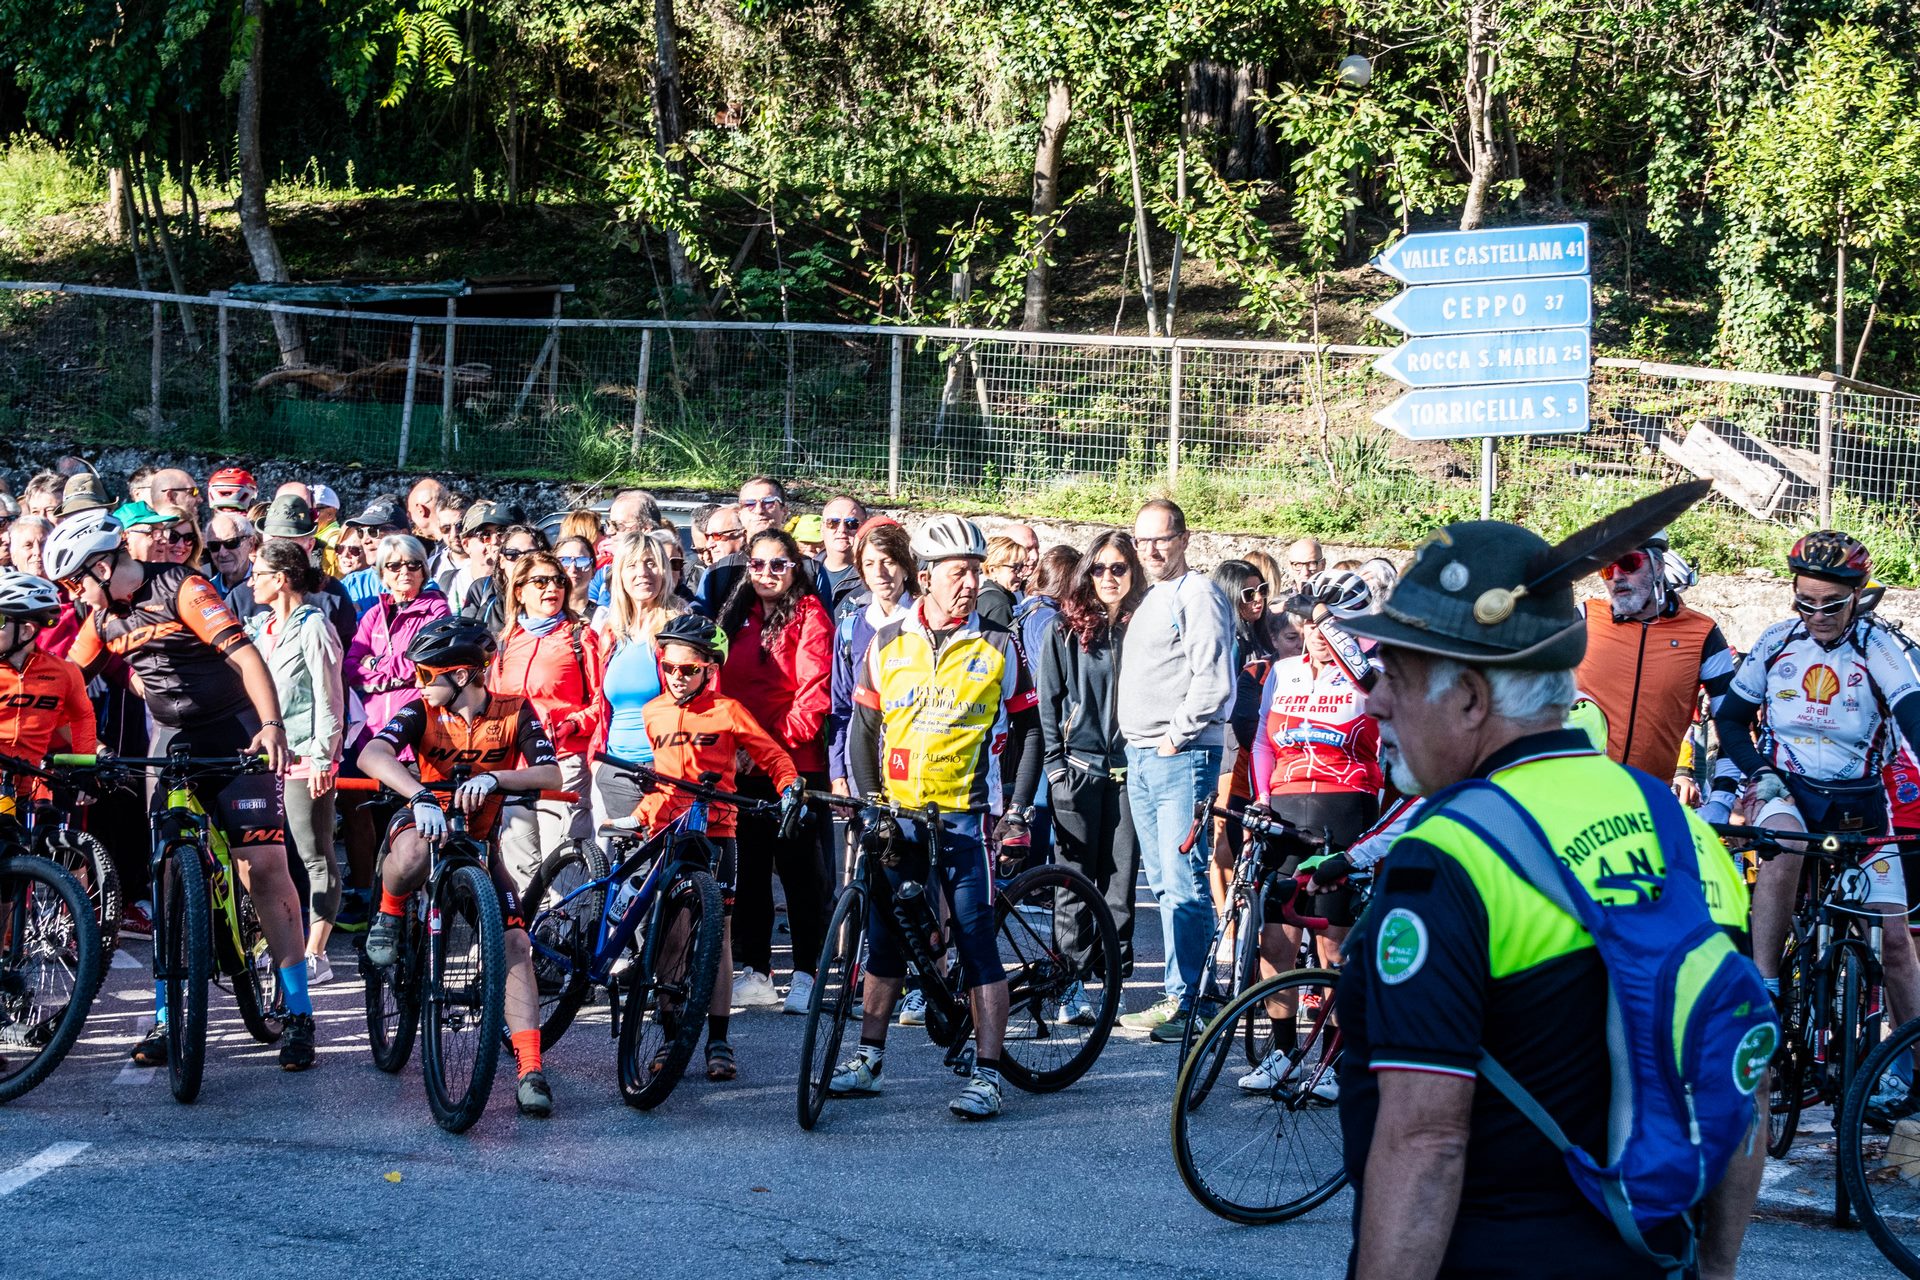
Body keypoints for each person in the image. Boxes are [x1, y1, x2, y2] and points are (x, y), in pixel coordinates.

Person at [1334, 508, 1763, 1280]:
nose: (1374, 702)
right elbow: (1737, 1085)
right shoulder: (1685, 833)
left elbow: (1425, 1140)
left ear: (1470, 698)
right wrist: (1717, 1272)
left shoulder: (1448, 857)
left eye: (1393, 676)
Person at [47, 513, 317, 1071]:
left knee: (262, 866)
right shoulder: (102, 617)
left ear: (101, 565)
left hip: (235, 729)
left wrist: (270, 727)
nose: (74, 595)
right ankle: (169, 1016)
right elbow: (65, 681)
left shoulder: (182, 586)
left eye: (76, 581)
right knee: (167, 874)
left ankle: (298, 1011)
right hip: (171, 741)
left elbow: (245, 656)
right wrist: (83, 744)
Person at [838, 514, 1042, 1119]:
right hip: (898, 814)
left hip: (964, 817)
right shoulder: (887, 641)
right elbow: (863, 730)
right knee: (885, 938)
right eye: (958, 573)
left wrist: (1019, 812)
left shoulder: (1000, 643)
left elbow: (1032, 731)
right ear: (925, 577)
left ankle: (987, 1074)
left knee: (977, 941)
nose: (970, 584)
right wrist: (872, 803)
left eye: (977, 572)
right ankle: (870, 1058)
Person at [1709, 530, 1920, 1063]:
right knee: (1790, 841)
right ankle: (1766, 983)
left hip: (1861, 799)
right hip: (1787, 785)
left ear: (1858, 595)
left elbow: (1914, 715)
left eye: (1832, 603)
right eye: (1806, 601)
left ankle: (1915, 1074)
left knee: (1895, 941)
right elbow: (1730, 718)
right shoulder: (1777, 640)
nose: (1818, 613)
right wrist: (1759, 771)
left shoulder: (1879, 645)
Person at [358, 615, 563, 1117]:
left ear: (464, 676)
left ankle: (530, 1069)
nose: (420, 683)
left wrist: (497, 779)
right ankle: (389, 916)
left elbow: (551, 770)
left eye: (429, 674)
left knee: (515, 942)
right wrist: (420, 793)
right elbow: (372, 753)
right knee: (408, 850)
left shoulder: (515, 711)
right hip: (426, 824)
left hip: (478, 845)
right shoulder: (420, 710)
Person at [626, 613, 802, 1083]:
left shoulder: (728, 710)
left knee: (718, 936)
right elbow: (660, 781)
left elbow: (774, 755)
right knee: (672, 934)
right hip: (668, 832)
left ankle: (719, 1039)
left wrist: (789, 788)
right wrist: (640, 814)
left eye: (688, 669)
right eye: (669, 667)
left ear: (709, 668)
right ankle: (670, 1035)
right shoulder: (652, 712)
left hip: (719, 833)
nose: (677, 677)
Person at [1116, 498, 1236, 1037]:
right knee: (1164, 882)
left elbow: (1213, 682)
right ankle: (1179, 996)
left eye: (1161, 538)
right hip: (1143, 756)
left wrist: (1173, 740)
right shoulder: (1154, 597)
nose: (1151, 550)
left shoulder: (1199, 594)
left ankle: (1193, 1002)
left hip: (1180, 756)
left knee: (1185, 882)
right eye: (1142, 541)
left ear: (1184, 539)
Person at [718, 527, 832, 1013]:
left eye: (778, 565)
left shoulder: (811, 616)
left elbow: (813, 696)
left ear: (795, 568)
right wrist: (735, 743)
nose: (767, 574)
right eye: (758, 564)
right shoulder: (734, 613)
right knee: (750, 872)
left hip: (793, 764)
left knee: (801, 874)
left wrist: (764, 749)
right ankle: (758, 971)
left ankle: (806, 974)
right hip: (740, 762)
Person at [1038, 531, 1142, 1021]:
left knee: (1120, 886)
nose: (1108, 578)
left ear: (1133, 572)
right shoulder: (1063, 628)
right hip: (1077, 771)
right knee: (1074, 883)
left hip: (1129, 772)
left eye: (1118, 568)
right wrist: (1056, 770)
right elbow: (1048, 704)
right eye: (1098, 568)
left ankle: (1113, 984)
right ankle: (1070, 984)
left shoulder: (1146, 626)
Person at [244, 540, 347, 984]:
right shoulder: (262, 627)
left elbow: (330, 697)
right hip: (266, 760)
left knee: (315, 855)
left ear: (281, 579)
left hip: (307, 756)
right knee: (270, 858)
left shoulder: (315, 625)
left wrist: (325, 756)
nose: (251, 581)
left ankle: (315, 954)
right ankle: (279, 943)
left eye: (258, 573)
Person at [339, 534, 449, 932]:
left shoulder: (435, 608)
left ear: (424, 568)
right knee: (366, 818)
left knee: (410, 826)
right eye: (394, 566)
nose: (404, 572)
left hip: (412, 733)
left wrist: (378, 669)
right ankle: (376, 899)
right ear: (382, 572)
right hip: (370, 732)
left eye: (413, 565)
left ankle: (415, 909)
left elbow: (420, 662)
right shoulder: (373, 613)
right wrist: (381, 669)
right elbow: (351, 663)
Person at [1574, 530, 1734, 801]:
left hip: (1648, 799)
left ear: (1658, 565)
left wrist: (1722, 798)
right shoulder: (1583, 618)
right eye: (1606, 568)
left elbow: (1732, 723)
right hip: (1576, 791)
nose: (1616, 576)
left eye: (1628, 563)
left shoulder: (1703, 633)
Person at [490, 549, 601, 881]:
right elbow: (493, 702)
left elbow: (601, 704)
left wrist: (571, 723)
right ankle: (523, 933)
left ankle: (564, 932)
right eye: (540, 581)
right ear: (519, 590)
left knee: (563, 861)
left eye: (558, 581)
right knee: (519, 867)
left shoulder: (581, 637)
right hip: (516, 765)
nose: (552, 588)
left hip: (564, 760)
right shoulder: (507, 641)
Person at [592, 530, 686, 828]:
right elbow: (601, 703)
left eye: (651, 563)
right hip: (616, 768)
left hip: (666, 768)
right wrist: (598, 761)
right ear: (619, 574)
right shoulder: (610, 632)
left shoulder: (682, 627)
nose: (642, 573)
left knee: (663, 864)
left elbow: (704, 700)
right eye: (632, 565)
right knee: (627, 867)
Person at [1209, 557, 1278, 924]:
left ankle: (1246, 920)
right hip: (1229, 746)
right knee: (1225, 834)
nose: (1258, 599)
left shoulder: (1260, 635)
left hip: (1258, 746)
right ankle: (1226, 922)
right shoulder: (1227, 639)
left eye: (1262, 590)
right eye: (1248, 593)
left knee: (1250, 834)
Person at [693, 480, 785, 617]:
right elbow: (700, 630)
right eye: (750, 504)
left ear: (784, 511)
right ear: (740, 514)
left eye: (768, 502)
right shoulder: (718, 572)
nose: (759, 510)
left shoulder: (809, 569)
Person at [814, 494, 867, 614]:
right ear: (822, 529)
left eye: (852, 523)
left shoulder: (872, 576)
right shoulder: (805, 573)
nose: (842, 529)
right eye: (833, 522)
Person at [205, 512, 259, 602]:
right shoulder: (207, 590)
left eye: (231, 543)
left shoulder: (266, 587)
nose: (222, 553)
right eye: (214, 546)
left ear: (251, 543)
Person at [976, 536, 1024, 630]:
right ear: (993, 570)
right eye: (1014, 567)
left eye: (1022, 567)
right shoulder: (1001, 604)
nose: (1021, 574)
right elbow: (1001, 643)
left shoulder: (983, 595)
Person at [555, 535, 596, 618]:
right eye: (564, 561)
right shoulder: (541, 616)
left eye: (582, 561)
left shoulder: (603, 618)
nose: (573, 569)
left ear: (593, 571)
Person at [8, 515, 49, 581]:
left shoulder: (69, 588)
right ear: (14, 557)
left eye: (43, 544)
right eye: (28, 545)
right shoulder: (5, 590)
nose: (37, 552)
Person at [406, 477, 444, 547]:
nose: (409, 518)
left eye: (410, 513)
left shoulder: (447, 553)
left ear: (421, 510)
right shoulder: (466, 542)